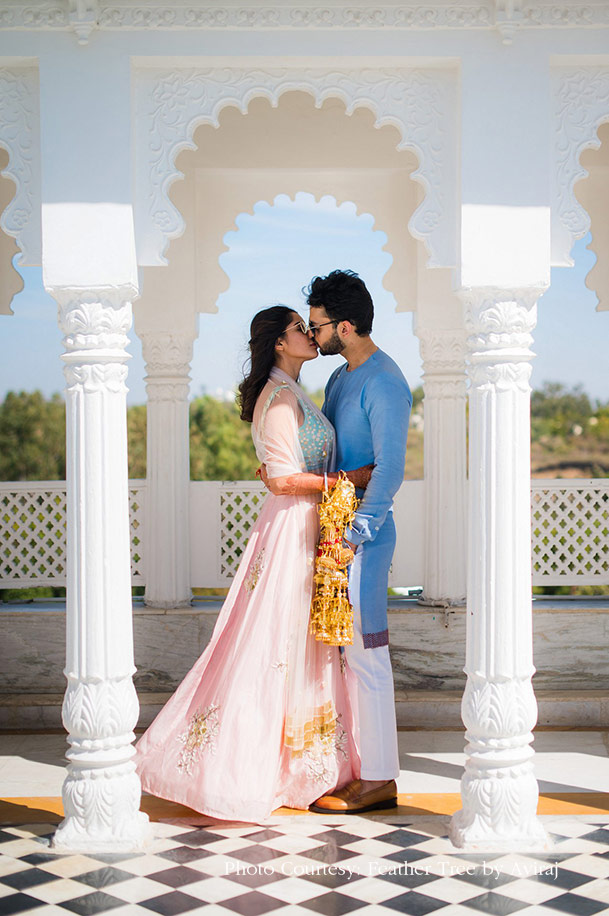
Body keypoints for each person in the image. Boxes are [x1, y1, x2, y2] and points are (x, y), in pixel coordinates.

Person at [135, 305, 373, 821]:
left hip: (305, 523)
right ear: (280, 343)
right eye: (299, 328)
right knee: (281, 644)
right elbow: (283, 480)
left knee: (300, 644)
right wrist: (349, 479)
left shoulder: (292, 391)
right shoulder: (280, 397)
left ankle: (303, 764)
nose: (309, 334)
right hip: (293, 528)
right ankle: (264, 767)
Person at [306, 270, 412, 814]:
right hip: (334, 532)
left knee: (368, 655)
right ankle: (354, 768)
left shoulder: (385, 382)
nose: (313, 334)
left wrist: (353, 537)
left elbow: (390, 470)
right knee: (344, 656)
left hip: (362, 540)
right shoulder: (339, 378)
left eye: (319, 326)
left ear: (345, 326)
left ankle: (379, 779)